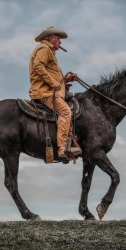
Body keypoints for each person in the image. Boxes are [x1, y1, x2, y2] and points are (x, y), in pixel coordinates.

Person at [29, 26, 82, 160]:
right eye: (58, 39)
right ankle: (62, 148)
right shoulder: (44, 49)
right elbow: (38, 66)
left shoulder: (49, 51)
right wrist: (54, 83)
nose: (60, 42)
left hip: (49, 91)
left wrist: (66, 79)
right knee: (65, 111)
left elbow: (54, 77)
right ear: (52, 38)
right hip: (44, 93)